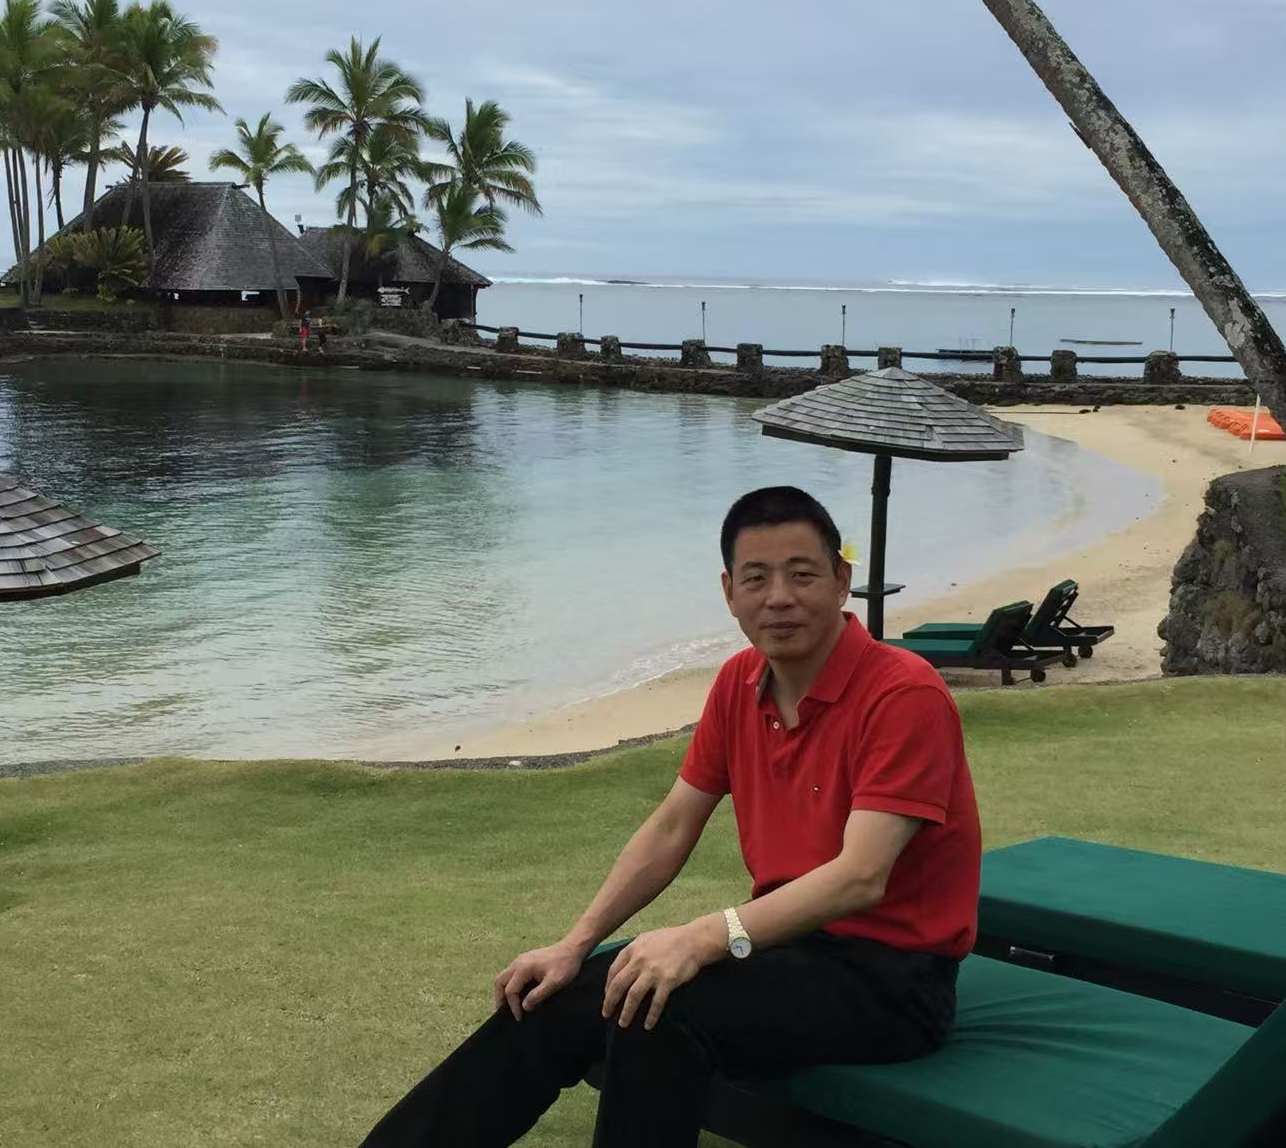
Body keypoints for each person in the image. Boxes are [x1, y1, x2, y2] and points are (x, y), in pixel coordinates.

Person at [360, 486, 980, 1147]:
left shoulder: (903, 693)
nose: (779, 597)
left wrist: (705, 935)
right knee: (556, 999)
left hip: (893, 982)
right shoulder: (739, 682)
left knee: (658, 1006)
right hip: (788, 948)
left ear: (841, 580)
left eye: (802, 574)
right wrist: (575, 944)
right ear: (729, 591)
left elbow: (860, 875)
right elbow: (672, 825)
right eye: (756, 578)